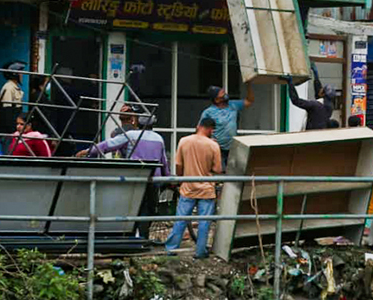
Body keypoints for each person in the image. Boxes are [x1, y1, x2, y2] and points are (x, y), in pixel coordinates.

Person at [75, 105, 170, 239]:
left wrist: (88, 151)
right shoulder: (159, 139)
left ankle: (131, 237)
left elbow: (108, 145)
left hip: (136, 179)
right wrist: (168, 178)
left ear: (136, 122)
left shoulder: (131, 135)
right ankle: (143, 237)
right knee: (148, 209)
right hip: (153, 180)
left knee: (134, 208)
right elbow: (164, 161)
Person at [164, 118, 222, 258]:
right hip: (206, 189)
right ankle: (200, 251)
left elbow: (178, 165)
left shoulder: (184, 141)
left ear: (198, 126)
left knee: (180, 220)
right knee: (204, 223)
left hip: (188, 187)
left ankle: (171, 249)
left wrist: (182, 177)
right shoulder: (213, 146)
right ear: (210, 129)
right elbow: (218, 169)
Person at [199, 84, 253, 167]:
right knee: (219, 171)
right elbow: (199, 130)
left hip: (232, 148)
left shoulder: (233, 105)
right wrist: (209, 141)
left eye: (224, 93)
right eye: (222, 94)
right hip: (217, 148)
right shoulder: (208, 112)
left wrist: (249, 86)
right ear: (216, 100)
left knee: (234, 172)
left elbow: (249, 101)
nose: (225, 95)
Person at [0, 62, 26, 143]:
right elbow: (7, 111)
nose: (22, 75)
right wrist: (12, 132)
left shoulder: (15, 88)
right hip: (9, 133)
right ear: (15, 74)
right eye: (20, 73)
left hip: (14, 131)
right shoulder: (9, 88)